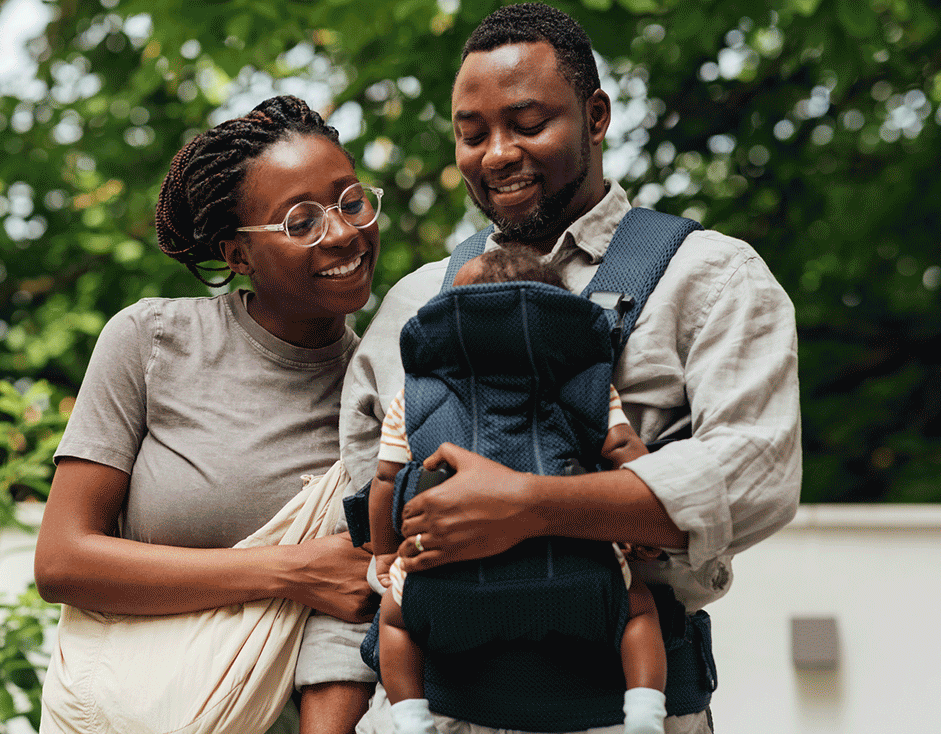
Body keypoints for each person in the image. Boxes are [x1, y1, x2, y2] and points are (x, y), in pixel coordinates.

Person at [340, 4, 802, 733]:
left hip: (623, 710)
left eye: (527, 124)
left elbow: (755, 474)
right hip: (434, 712)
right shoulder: (417, 299)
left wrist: (531, 505)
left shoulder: (709, 276)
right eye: (472, 134)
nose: (496, 154)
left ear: (595, 115)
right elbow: (363, 491)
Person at [34, 95, 381, 734]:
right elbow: (62, 561)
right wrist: (292, 571)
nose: (342, 232)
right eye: (300, 220)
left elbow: (355, 608)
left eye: (351, 201)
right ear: (238, 255)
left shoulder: (380, 392)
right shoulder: (150, 342)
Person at [368, 247, 667, 734]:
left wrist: (384, 555)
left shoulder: (413, 396)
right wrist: (638, 518)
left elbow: (384, 482)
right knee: (639, 611)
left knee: (395, 623)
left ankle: (411, 719)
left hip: (442, 576)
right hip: (576, 569)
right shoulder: (586, 384)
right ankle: (645, 714)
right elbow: (624, 449)